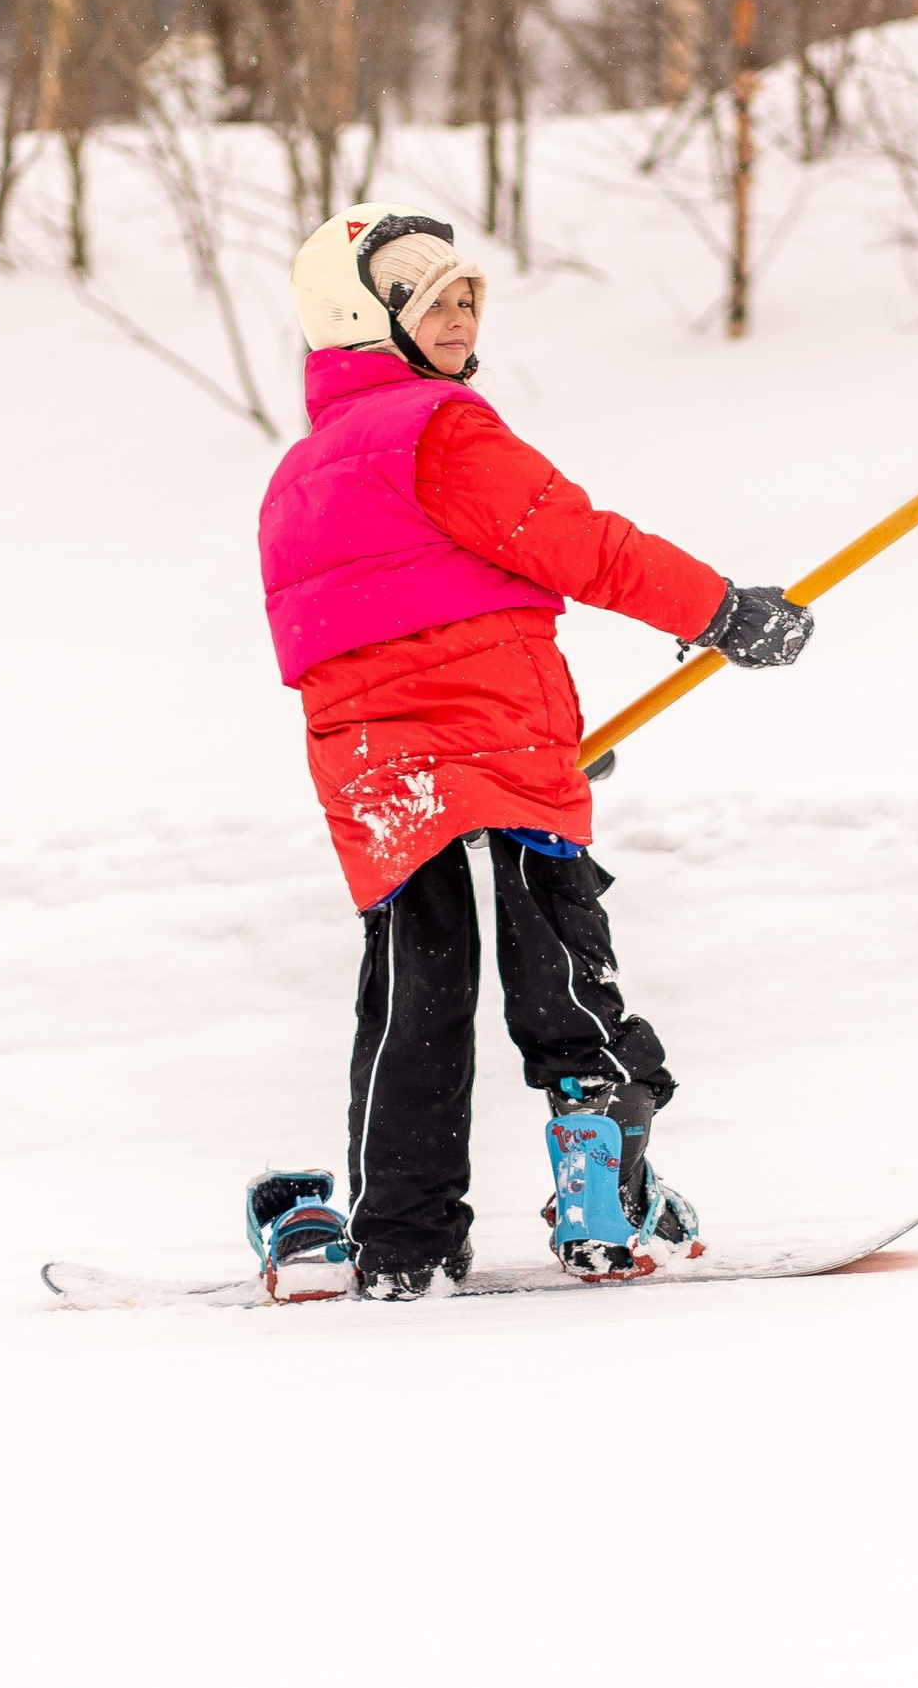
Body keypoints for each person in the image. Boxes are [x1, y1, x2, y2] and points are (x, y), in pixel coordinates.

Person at [248, 209, 812, 1302]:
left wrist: (529, 746)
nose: (460, 315)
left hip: (381, 782)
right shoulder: (437, 429)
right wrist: (720, 613)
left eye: (469, 296)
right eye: (432, 298)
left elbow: (372, 640)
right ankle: (604, 1194)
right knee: (561, 982)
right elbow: (579, 544)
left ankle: (402, 1238)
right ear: (367, 319)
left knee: (413, 1002)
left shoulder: (300, 475)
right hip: (489, 764)